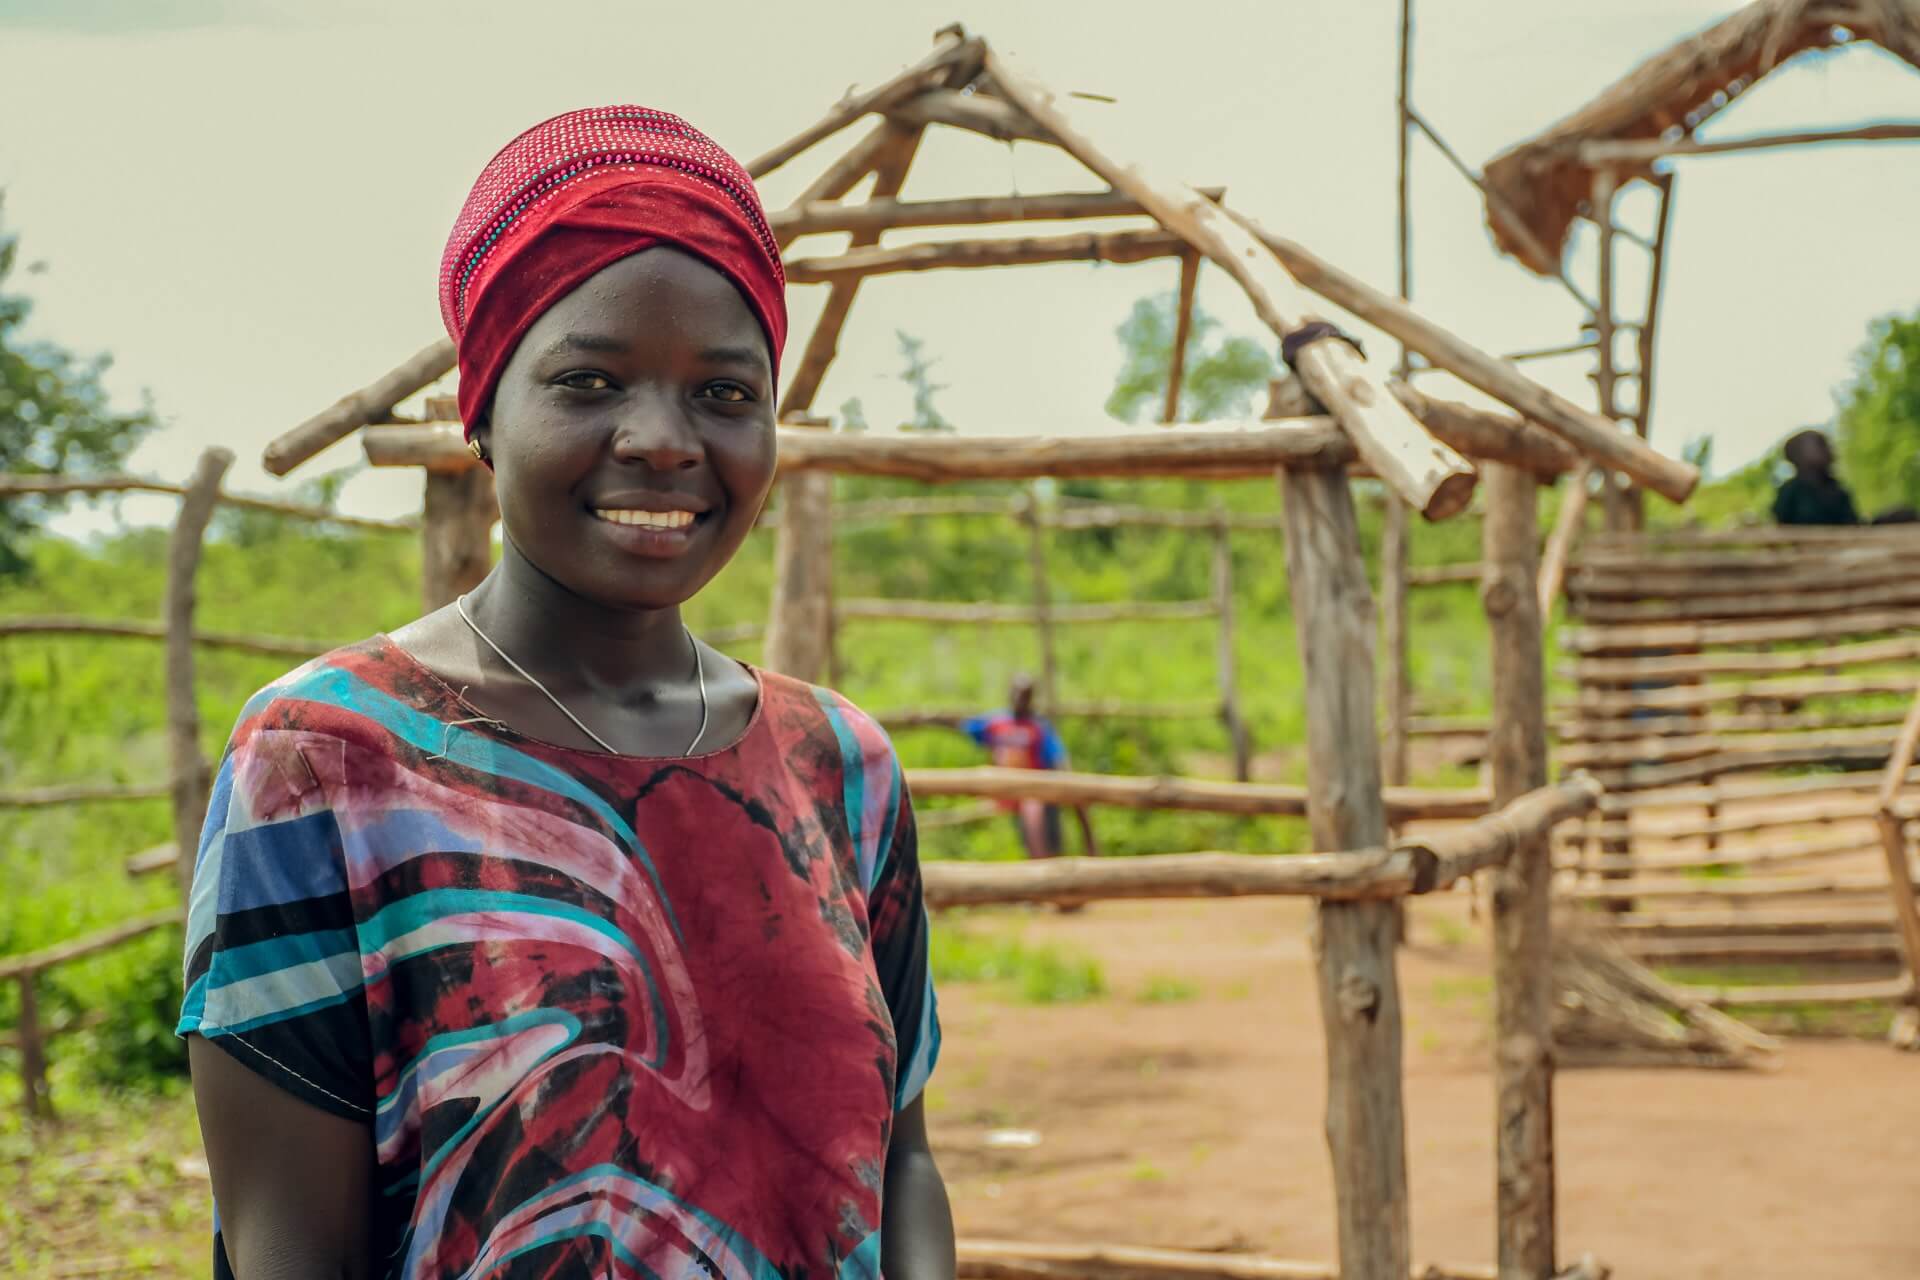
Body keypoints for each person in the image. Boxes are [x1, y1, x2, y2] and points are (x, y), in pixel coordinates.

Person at [181, 107, 951, 1280]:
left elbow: (901, 1161)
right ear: (481, 411)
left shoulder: (838, 763)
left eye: (725, 393)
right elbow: (286, 1245)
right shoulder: (328, 761)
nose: (660, 438)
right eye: (588, 381)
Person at [961, 676, 1098, 860]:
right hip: (1002, 791)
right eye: (1016, 693)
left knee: (1035, 808)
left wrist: (1068, 783)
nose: (1019, 699)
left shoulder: (1038, 728)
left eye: (1024, 695)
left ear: (1031, 698)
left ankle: (1045, 860)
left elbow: (1058, 758)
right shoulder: (996, 723)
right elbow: (964, 728)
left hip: (1032, 791)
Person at [1773, 428, 1859, 527]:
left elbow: (1853, 527)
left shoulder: (1838, 491)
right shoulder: (1790, 492)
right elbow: (1780, 528)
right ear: (1798, 454)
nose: (1830, 449)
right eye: (1821, 444)